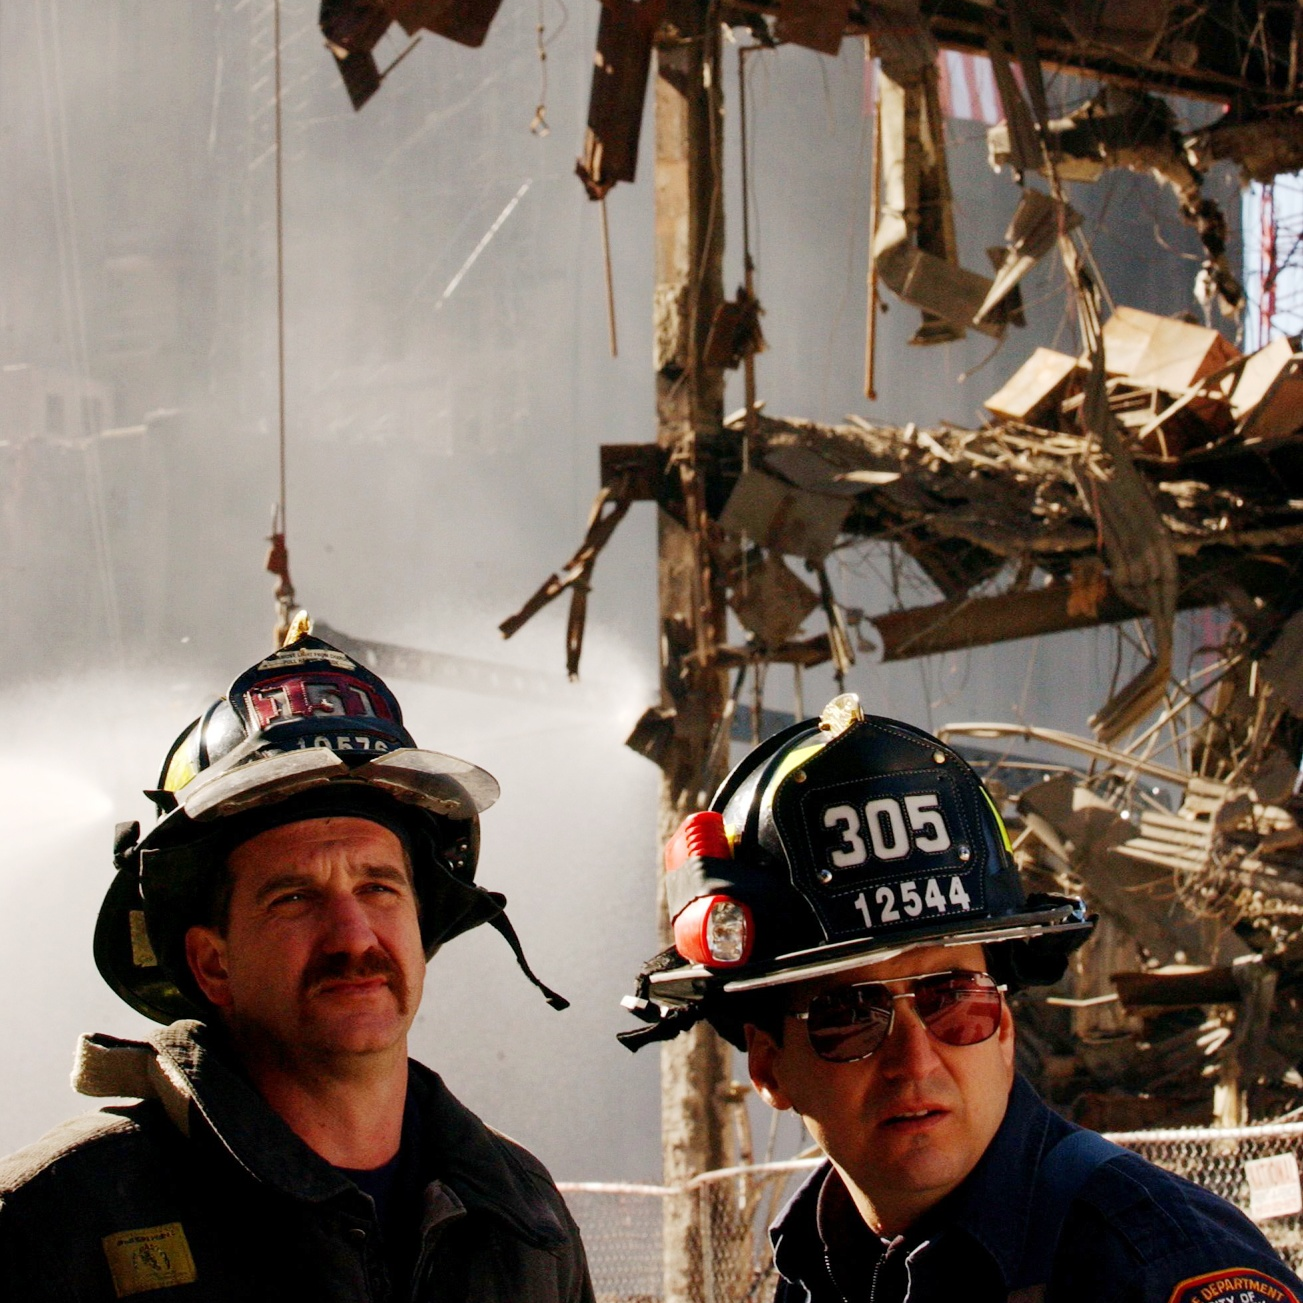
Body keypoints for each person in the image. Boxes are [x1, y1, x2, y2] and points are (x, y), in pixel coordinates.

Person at [621, 693, 1303, 1303]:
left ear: (1003, 1024)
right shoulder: (818, 1268)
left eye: (953, 1000)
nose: (914, 1060)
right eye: (852, 1016)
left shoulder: (1152, 1263)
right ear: (769, 1066)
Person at [0, 627, 594, 1303]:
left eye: (378, 886)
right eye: (294, 897)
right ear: (211, 962)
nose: (353, 934)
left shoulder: (524, 1223)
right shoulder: (60, 1222)